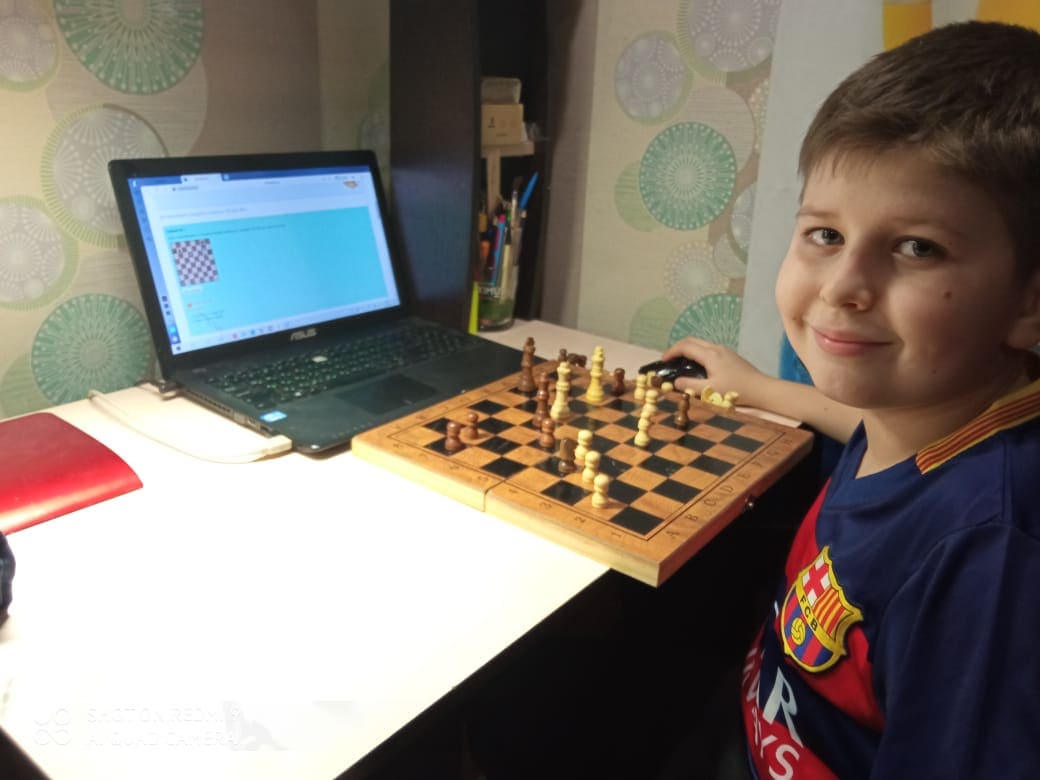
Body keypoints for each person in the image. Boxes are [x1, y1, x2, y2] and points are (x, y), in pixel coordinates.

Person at [660, 19, 1040, 779]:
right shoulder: (931, 411)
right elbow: (872, 429)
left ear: (1030, 302)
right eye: (825, 235)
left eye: (917, 248)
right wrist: (758, 387)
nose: (842, 287)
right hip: (759, 716)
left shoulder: (988, 558)